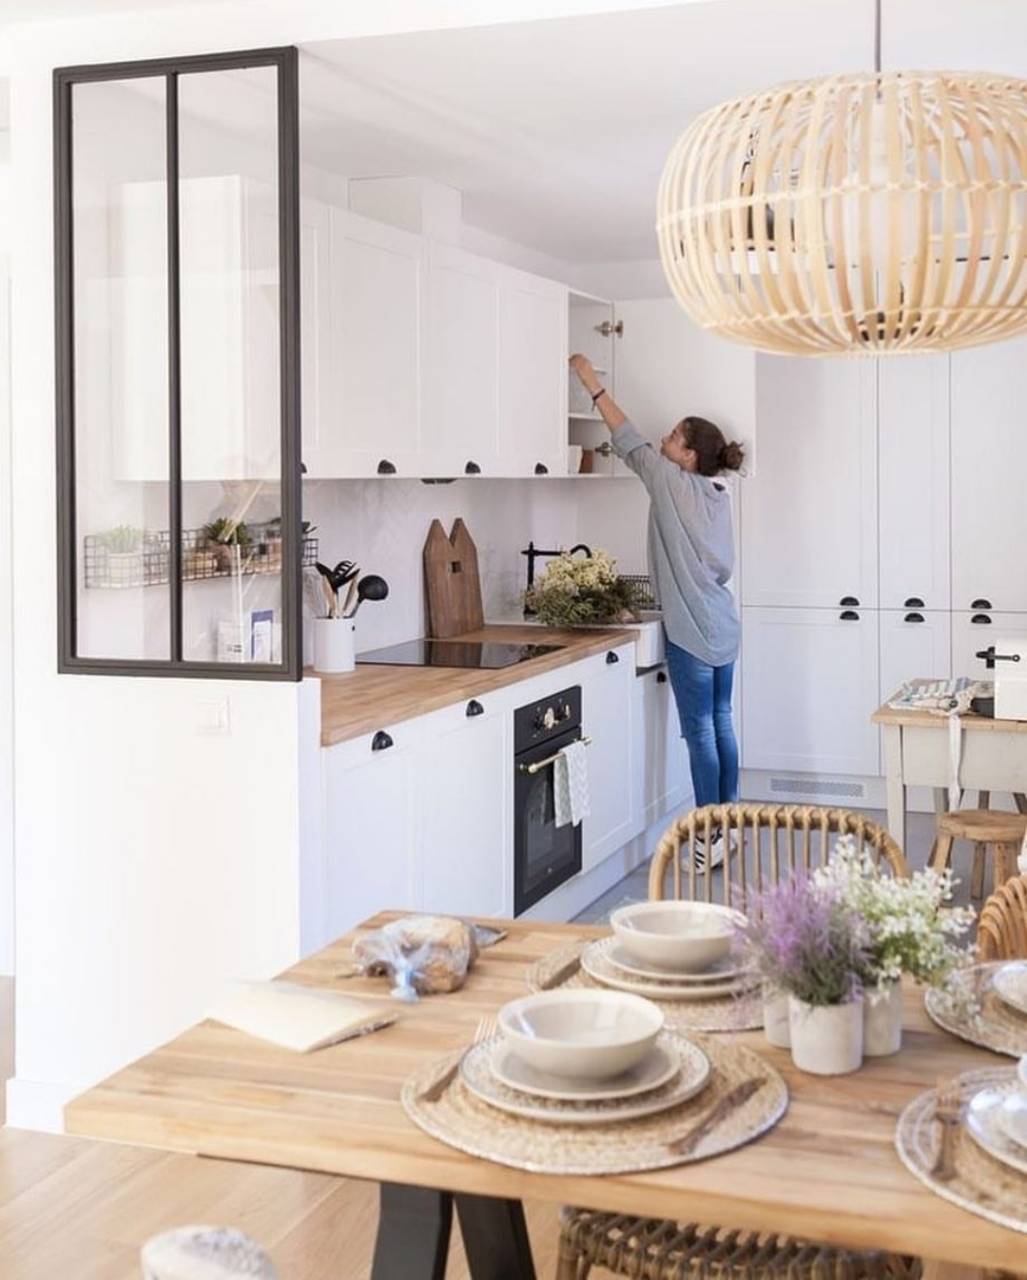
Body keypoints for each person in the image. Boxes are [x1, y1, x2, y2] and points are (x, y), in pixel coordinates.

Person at [569, 353, 745, 870]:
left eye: (673, 437)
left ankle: (708, 835)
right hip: (724, 625)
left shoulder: (669, 482)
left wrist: (590, 382)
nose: (663, 440)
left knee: (701, 733)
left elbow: (627, 439)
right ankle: (730, 823)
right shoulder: (718, 493)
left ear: (687, 456)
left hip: (692, 630)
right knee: (721, 723)